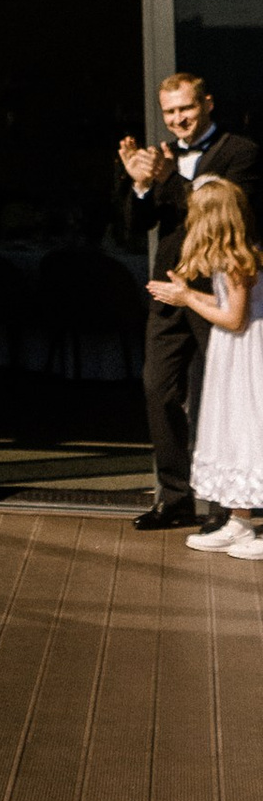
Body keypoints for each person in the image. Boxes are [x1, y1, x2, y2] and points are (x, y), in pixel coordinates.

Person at [120, 75, 262, 530]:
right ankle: (175, 498)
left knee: (222, 398)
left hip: (221, 289)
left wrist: (170, 180)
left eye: (186, 109)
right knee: (157, 388)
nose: (178, 119)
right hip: (170, 290)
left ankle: (228, 508)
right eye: (169, 112)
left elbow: (221, 212)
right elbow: (133, 225)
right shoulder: (161, 158)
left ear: (207, 104)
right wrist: (140, 185)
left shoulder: (240, 152)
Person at [160, 181, 263, 561]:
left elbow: (235, 319)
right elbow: (226, 305)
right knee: (235, 428)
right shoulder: (229, 258)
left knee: (253, 428)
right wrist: (186, 294)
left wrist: (187, 297)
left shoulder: (237, 261)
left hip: (247, 351)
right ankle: (240, 518)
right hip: (235, 352)